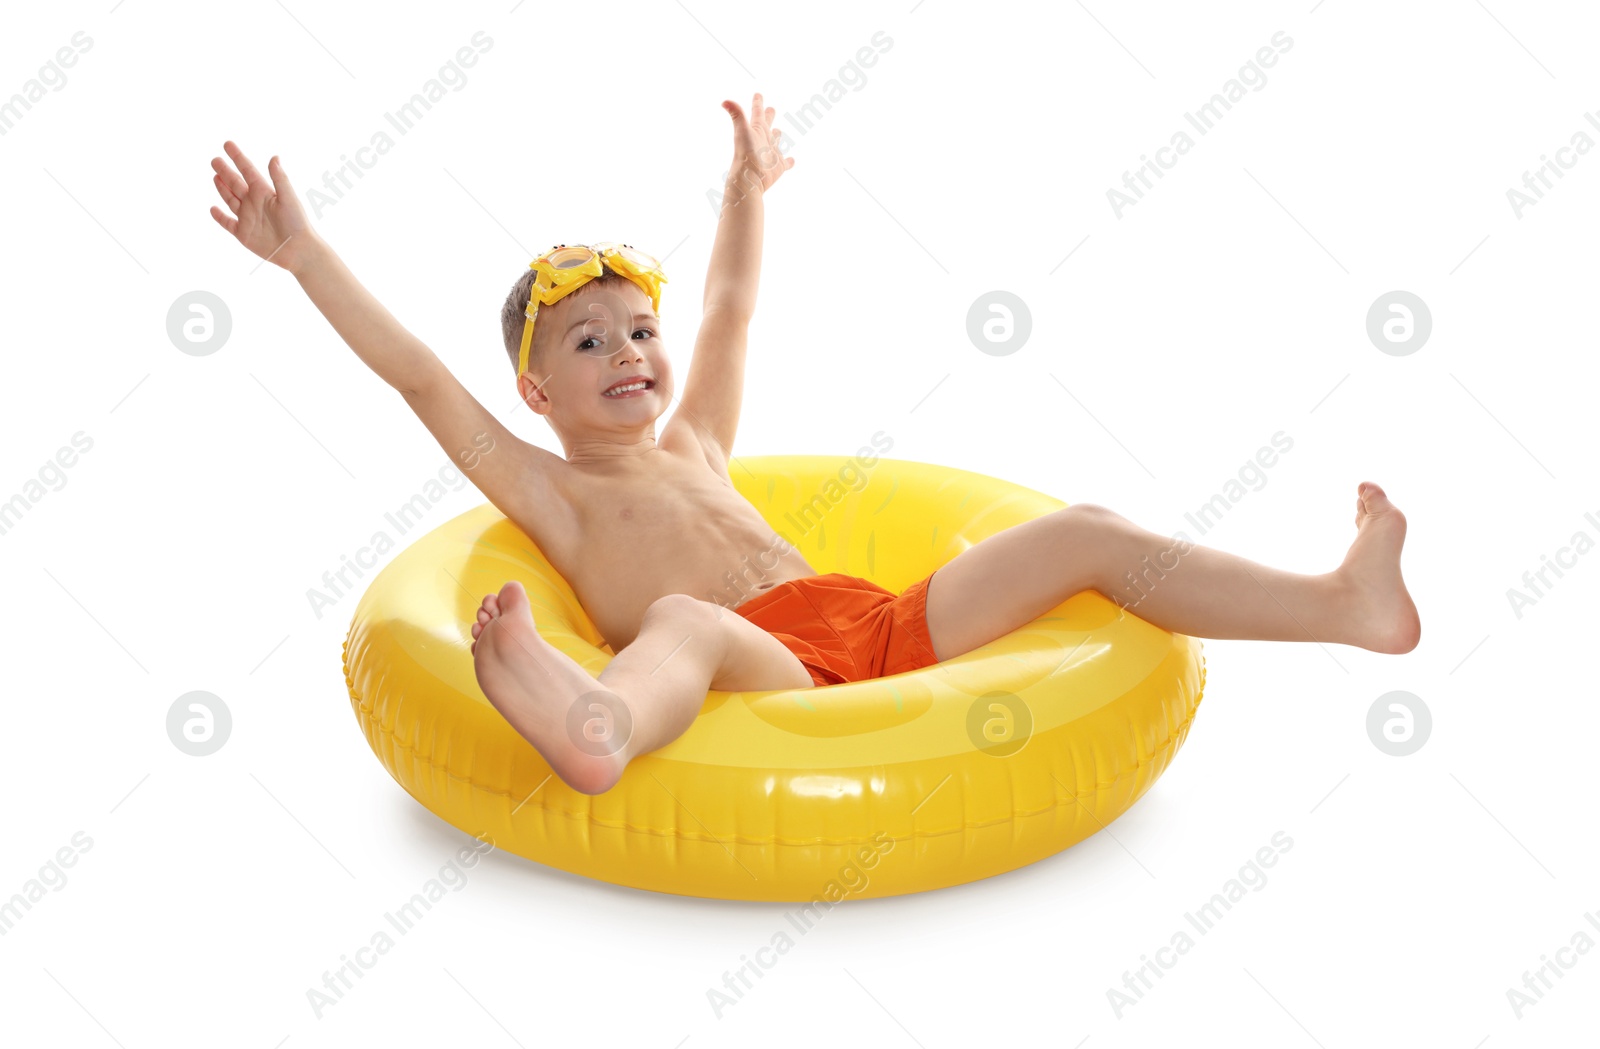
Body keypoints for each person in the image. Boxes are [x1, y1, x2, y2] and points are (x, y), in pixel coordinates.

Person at [208, 92, 1419, 798]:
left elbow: (728, 310)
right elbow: (418, 374)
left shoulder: (696, 444)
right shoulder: (548, 494)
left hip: (873, 620)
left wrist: (744, 191)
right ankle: (601, 727)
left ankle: (1343, 603)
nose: (628, 352)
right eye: (588, 345)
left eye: (636, 330)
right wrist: (304, 254)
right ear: (532, 391)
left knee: (1091, 530)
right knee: (682, 618)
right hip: (765, 662)